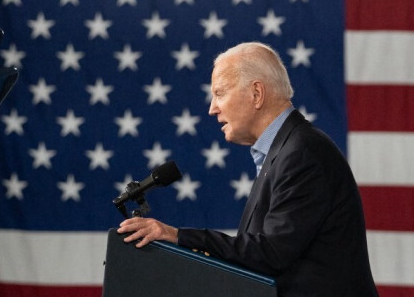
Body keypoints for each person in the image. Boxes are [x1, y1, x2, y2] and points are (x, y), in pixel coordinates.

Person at [118, 42, 379, 297]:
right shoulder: (284, 151)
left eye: (219, 93)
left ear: (256, 94)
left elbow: (272, 253)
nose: (212, 108)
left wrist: (178, 236)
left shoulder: (303, 153)